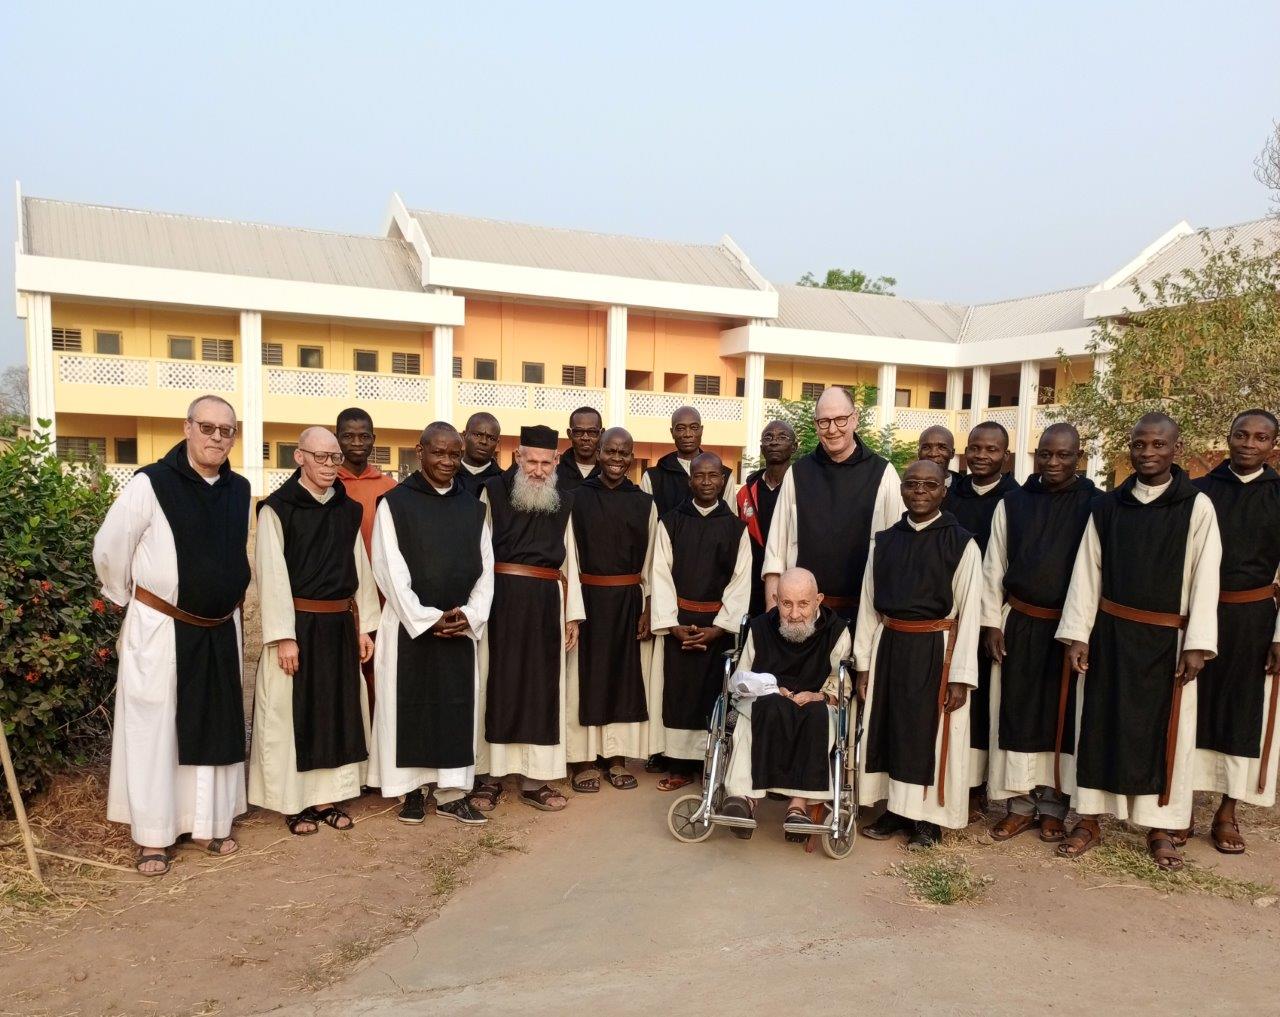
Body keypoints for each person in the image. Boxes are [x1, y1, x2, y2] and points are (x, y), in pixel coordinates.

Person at [93, 395, 251, 876]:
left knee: (215, 722)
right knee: (156, 730)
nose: (217, 438)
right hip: (161, 628)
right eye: (208, 427)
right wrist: (130, 599)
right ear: (187, 428)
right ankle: (154, 836)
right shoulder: (150, 484)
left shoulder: (239, 488)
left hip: (221, 628)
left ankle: (209, 821)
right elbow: (110, 548)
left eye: (227, 430)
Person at [1056, 413, 1221, 871]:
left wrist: (1197, 643)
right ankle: (1089, 818)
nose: (1147, 453)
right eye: (1139, 445)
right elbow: (1088, 573)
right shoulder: (1108, 507)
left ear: (1176, 448)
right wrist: (1077, 635)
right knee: (1099, 724)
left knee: (1166, 732)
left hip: (1168, 640)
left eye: (1158, 445)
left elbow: (1206, 576)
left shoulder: (1197, 506)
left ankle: (1161, 826)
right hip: (1109, 633)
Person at [248, 428, 379, 835]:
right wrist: (284, 635)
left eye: (334, 458)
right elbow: (270, 574)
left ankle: (326, 799)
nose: (328, 466)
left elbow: (359, 569)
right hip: (298, 627)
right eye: (320, 457)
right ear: (299, 457)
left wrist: (365, 627)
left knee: (336, 712)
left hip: (340, 623)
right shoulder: (277, 509)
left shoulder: (346, 508)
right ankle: (295, 803)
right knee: (292, 715)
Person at [368, 422, 494, 827]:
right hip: (410, 628)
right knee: (409, 706)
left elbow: (486, 569)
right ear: (419, 452)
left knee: (456, 707)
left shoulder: (474, 508)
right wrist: (425, 618)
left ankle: (453, 793)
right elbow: (387, 566)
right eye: (437, 453)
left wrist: (470, 614)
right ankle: (412, 791)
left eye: (454, 454)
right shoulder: (395, 504)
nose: (446, 461)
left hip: (459, 626)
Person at [854, 460, 983, 848]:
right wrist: (863, 665)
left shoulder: (962, 543)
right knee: (891, 730)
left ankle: (927, 821)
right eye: (912, 484)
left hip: (936, 649)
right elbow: (867, 604)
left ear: (945, 489)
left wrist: (961, 675)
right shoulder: (885, 540)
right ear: (902, 490)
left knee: (927, 735)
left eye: (930, 484)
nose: (920, 491)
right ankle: (895, 809)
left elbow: (971, 611)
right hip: (890, 645)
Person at [982, 424, 1095, 843]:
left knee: (1059, 719)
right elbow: (994, 565)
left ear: (1078, 457)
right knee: (1018, 713)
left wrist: (1082, 630)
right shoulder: (1012, 503)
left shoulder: (1095, 504)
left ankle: (1053, 806)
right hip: (1021, 619)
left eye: (1063, 455)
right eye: (1045, 454)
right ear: (1034, 455)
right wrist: (992, 620)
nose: (1053, 463)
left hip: (1067, 628)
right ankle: (1020, 805)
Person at [470, 425, 585, 814]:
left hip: (545, 603)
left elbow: (571, 559)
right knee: (497, 684)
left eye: (545, 463)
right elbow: (479, 554)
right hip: (499, 600)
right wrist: (477, 608)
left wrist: (573, 616)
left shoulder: (564, 500)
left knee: (541, 687)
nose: (537, 470)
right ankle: (490, 777)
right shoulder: (493, 491)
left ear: (556, 461)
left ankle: (536, 780)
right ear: (517, 457)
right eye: (530, 461)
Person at [1186, 410, 1280, 854]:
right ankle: (1179, 805)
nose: (1249, 443)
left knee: (1243, 712)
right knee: (1191, 706)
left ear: (1273, 446)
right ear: (1227, 438)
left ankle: (1227, 810)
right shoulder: (1198, 491)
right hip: (1198, 615)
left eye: (1261, 438)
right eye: (1241, 434)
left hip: (1254, 619)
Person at [721, 568, 851, 841]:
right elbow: (741, 678)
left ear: (818, 600)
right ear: (775, 599)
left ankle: (798, 806)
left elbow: (840, 683)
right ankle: (744, 800)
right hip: (768, 699)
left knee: (818, 716)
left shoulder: (836, 632)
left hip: (814, 702)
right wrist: (768, 687)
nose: (794, 614)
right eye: (786, 604)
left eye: (803, 604)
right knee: (753, 712)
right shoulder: (760, 628)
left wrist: (821, 696)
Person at [649, 452, 752, 791]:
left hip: (716, 625)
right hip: (679, 621)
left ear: (723, 480)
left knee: (712, 693)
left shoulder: (736, 528)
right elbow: (660, 574)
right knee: (679, 694)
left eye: (713, 476)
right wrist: (672, 624)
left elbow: (741, 581)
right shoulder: (671, 521)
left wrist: (719, 629)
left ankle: (709, 763)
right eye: (700, 476)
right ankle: (679, 764)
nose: (707, 482)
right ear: (689, 480)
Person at [565, 427, 656, 793]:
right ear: (598, 453)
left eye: (624, 453)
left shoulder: (644, 502)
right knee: (585, 678)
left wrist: (648, 606)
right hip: (588, 599)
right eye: (610, 451)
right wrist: (571, 607)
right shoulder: (576, 498)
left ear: (632, 457)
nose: (617, 459)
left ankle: (616, 757)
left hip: (628, 601)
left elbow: (652, 562)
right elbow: (568, 557)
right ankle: (584, 758)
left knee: (622, 677)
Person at [763, 386, 904, 620]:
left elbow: (898, 552)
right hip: (803, 616)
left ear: (855, 419)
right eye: (824, 422)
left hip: (865, 613)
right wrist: (772, 614)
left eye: (840, 419)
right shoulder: (797, 474)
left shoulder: (883, 473)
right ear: (815, 424)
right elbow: (775, 553)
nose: (832, 429)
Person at [946, 421, 1018, 807]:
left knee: (986, 698)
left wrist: (992, 617)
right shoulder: (951, 495)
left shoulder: (1015, 498)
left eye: (991, 450)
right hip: (950, 612)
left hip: (993, 612)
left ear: (1005, 456)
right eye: (975, 448)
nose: (981, 456)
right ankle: (957, 777)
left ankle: (980, 785)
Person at [335, 407, 397, 712]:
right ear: (337, 439)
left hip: (382, 596)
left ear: (373, 439)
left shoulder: (390, 489)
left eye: (363, 436)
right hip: (340, 594)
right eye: (348, 436)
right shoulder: (327, 484)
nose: (356, 442)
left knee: (379, 671)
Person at [738, 420, 797, 617]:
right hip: (752, 584)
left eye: (782, 437)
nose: (774, 442)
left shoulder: (803, 489)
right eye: (768, 438)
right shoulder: (746, 492)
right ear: (762, 447)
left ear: (794, 447)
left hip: (792, 582)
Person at [641, 405, 736, 515]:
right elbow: (647, 524)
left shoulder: (724, 475)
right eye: (681, 428)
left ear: (701, 430)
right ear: (672, 432)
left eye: (694, 428)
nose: (688, 434)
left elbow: (730, 523)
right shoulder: (652, 477)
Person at [456, 412, 504, 496]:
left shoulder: (504, 481)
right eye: (477, 435)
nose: (484, 441)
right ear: (464, 435)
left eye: (491, 438)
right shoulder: (448, 475)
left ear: (497, 442)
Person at [556, 406, 603, 491]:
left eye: (592, 432)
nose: (585, 438)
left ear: (601, 433)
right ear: (569, 434)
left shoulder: (608, 475)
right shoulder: (555, 476)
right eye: (578, 432)